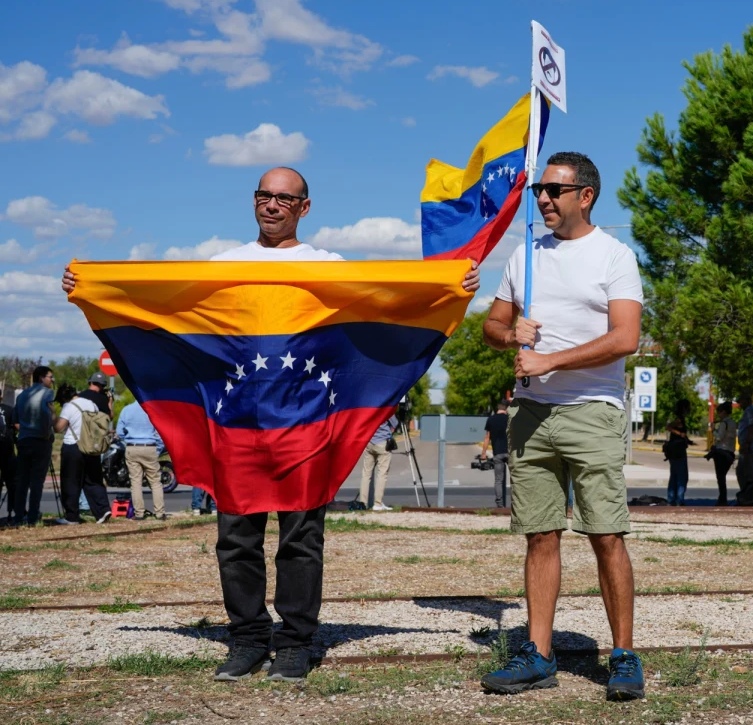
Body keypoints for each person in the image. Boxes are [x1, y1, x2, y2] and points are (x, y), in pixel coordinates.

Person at [63, 166, 481, 682]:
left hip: (307, 427)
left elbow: (388, 298)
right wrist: (93, 288)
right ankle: (247, 639)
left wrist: (448, 285)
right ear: (254, 201)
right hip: (235, 426)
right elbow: (164, 310)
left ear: (305, 207)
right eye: (264, 195)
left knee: (301, 539)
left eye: (285, 197)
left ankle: (296, 642)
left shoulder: (326, 267)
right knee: (235, 537)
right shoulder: (224, 266)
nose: (273, 204)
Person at [481, 152, 645, 702]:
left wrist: (552, 359)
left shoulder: (615, 256)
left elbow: (626, 338)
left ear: (586, 195)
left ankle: (622, 655)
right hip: (530, 416)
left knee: (605, 535)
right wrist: (512, 336)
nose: (543, 199)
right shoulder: (524, 255)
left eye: (554, 190)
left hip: (593, 411)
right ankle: (538, 654)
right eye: (538, 191)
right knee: (540, 536)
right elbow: (492, 325)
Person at [55, 384, 112, 525]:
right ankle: (102, 510)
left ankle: (72, 516)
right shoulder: (91, 404)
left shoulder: (69, 407)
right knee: (93, 479)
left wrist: (52, 414)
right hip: (91, 446)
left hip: (73, 447)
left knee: (71, 482)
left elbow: (58, 428)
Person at [12, 366, 56, 526]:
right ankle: (32, 517)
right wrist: (47, 434)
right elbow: (46, 416)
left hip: (24, 439)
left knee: (22, 480)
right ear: (41, 378)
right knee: (37, 481)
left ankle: (18, 517)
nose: (52, 380)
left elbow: (15, 418)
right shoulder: (47, 394)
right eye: (50, 377)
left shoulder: (23, 395)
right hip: (40, 440)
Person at [117, 400, 165, 520]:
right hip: (149, 447)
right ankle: (159, 513)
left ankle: (139, 513)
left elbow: (119, 432)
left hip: (132, 447)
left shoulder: (126, 410)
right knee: (155, 482)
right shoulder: (152, 409)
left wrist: (127, 441)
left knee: (135, 482)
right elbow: (160, 432)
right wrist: (158, 449)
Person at [358, 410, 398, 511]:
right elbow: (395, 423)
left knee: (366, 474)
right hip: (383, 443)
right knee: (382, 473)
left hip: (369, 442)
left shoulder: (369, 407)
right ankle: (377, 503)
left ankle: (363, 503)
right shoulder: (386, 407)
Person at [480, 400, 511, 508]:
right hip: (511, 453)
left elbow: (487, 437)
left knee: (498, 480)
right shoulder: (510, 419)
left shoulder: (491, 419)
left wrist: (483, 453)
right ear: (507, 408)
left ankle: (500, 504)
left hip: (497, 453)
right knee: (516, 479)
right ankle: (517, 505)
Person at [663, 400, 693, 506]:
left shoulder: (681, 419)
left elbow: (682, 434)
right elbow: (668, 427)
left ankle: (672, 498)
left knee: (675, 475)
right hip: (677, 450)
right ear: (684, 408)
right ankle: (678, 499)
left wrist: (688, 440)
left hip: (676, 450)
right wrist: (680, 434)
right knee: (681, 476)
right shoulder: (679, 419)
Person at [707, 401, 737, 506]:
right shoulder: (733, 423)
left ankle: (723, 498)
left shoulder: (724, 423)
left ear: (724, 412)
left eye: (719, 412)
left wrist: (713, 429)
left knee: (720, 477)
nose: (718, 415)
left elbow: (719, 437)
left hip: (722, 452)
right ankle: (722, 498)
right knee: (722, 476)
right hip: (730, 452)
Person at [0, 399, 15, 525]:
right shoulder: (9, 409)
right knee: (11, 483)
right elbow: (16, 426)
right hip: (7, 450)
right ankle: (11, 512)